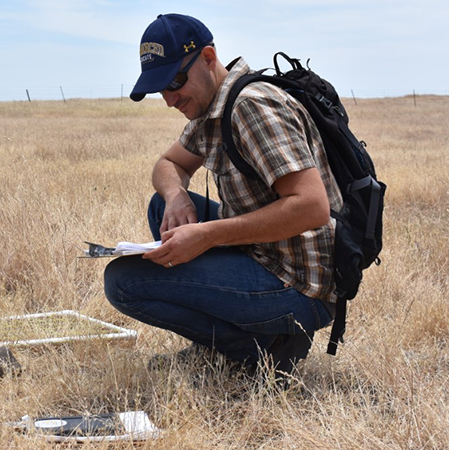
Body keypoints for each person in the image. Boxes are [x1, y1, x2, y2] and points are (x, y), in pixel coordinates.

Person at [104, 14, 343, 379]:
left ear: (208, 58)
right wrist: (176, 195)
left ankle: (263, 351)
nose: (170, 99)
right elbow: (167, 164)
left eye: (175, 82)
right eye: (161, 89)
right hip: (265, 254)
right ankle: (234, 338)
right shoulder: (212, 109)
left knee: (124, 283)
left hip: (299, 285)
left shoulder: (251, 106)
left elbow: (312, 207)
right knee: (162, 207)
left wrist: (209, 235)